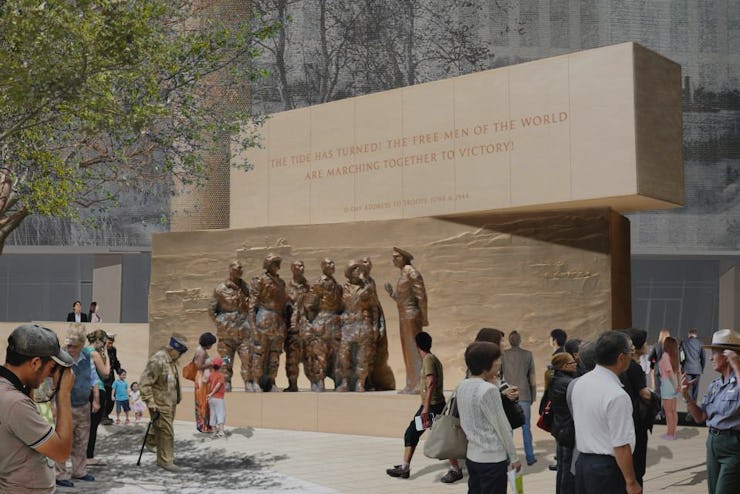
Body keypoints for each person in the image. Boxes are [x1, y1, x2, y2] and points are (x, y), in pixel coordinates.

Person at [0, 324, 74, 493]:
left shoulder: (7, 390)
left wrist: (29, 384)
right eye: (52, 368)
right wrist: (64, 393)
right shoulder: (15, 403)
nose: (50, 375)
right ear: (35, 362)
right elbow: (61, 452)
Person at [571, 330, 640, 494]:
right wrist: (631, 482)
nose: (632, 357)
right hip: (606, 470)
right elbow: (621, 445)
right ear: (621, 358)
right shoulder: (617, 395)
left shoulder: (580, 383)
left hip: (583, 464)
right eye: (630, 353)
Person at [456, 341, 521, 494]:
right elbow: (502, 426)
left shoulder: (462, 386)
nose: (499, 363)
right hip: (492, 459)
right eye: (497, 360)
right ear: (486, 364)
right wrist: (514, 457)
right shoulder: (488, 390)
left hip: (473, 456)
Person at [681, 329, 740, 494]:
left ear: (728, 356)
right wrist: (687, 396)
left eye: (714, 353)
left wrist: (737, 366)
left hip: (734, 446)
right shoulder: (715, 385)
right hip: (713, 443)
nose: (710, 358)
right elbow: (700, 417)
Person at [386, 332, 446, 479]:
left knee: (414, 433)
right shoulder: (433, 358)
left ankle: (405, 468)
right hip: (434, 405)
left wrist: (425, 408)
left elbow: (431, 382)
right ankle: (405, 467)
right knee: (436, 436)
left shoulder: (428, 360)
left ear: (417, 346)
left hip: (431, 406)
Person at [56, 327, 100, 487]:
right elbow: (51, 382)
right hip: (64, 406)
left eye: (74, 346)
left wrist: (96, 399)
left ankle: (79, 471)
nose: (71, 349)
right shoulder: (59, 358)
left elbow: (93, 378)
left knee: (81, 441)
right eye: (69, 345)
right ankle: (60, 474)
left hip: (83, 405)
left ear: (82, 345)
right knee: (63, 441)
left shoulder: (87, 357)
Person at [139, 336, 188, 472]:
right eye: (179, 353)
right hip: (160, 404)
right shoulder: (158, 360)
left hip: (170, 403)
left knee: (161, 429)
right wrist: (150, 401)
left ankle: (150, 440)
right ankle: (166, 461)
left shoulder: (171, 360)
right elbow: (145, 382)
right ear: (172, 349)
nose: (180, 356)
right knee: (167, 432)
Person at [384, 247, 429, 394]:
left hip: (411, 316)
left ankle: (419, 384)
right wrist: (392, 294)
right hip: (403, 315)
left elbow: (421, 296)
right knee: (407, 351)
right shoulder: (403, 273)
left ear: (403, 258)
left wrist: (424, 317)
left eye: (396, 257)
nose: (393, 260)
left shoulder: (412, 273)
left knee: (414, 350)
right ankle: (411, 383)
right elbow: (402, 299)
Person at [336, 260, 379, 392]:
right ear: (349, 272)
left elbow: (374, 308)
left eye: (359, 269)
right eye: (354, 269)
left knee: (363, 356)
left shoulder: (367, 288)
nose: (357, 271)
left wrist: (375, 326)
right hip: (347, 325)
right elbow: (337, 308)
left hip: (363, 324)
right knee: (344, 355)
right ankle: (345, 381)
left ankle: (360, 382)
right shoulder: (342, 289)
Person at [248, 254, 290, 392]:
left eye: (278, 263)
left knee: (275, 355)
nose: (278, 266)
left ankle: (272, 381)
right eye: (275, 263)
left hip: (278, 322)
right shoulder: (259, 280)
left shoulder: (281, 282)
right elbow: (252, 305)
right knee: (259, 353)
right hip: (263, 319)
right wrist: (253, 327)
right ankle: (256, 381)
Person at [209, 260, 250, 392]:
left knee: (247, 359)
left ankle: (248, 382)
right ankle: (225, 382)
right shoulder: (220, 289)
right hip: (226, 333)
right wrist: (220, 322)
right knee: (226, 360)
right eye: (237, 268)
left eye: (241, 268)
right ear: (230, 270)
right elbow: (211, 310)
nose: (240, 270)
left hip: (244, 331)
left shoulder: (246, 288)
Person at [618, 328, 652, 486]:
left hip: (627, 418)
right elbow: (644, 394)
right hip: (636, 421)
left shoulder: (623, 365)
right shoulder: (634, 367)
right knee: (637, 467)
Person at [305, 258, 343, 391]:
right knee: (319, 355)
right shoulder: (318, 284)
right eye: (328, 264)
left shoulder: (337, 285)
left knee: (337, 355)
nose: (332, 265)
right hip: (321, 322)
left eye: (333, 263)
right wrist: (313, 323)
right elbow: (309, 305)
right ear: (323, 267)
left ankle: (338, 381)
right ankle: (318, 381)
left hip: (335, 323)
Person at [501, 330, 537, 465]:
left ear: (509, 341)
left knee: (508, 428)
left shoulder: (503, 355)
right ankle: (530, 457)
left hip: (508, 395)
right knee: (526, 427)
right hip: (524, 394)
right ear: (520, 340)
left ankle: (508, 457)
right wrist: (533, 395)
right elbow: (532, 377)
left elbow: (499, 376)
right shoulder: (528, 354)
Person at [84, 329, 110, 466]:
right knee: (93, 426)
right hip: (97, 390)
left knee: (83, 425)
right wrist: (107, 356)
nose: (104, 346)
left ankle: (80, 454)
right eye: (104, 343)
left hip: (83, 391)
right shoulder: (94, 353)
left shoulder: (83, 351)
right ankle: (89, 456)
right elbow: (105, 374)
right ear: (99, 341)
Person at [285, 260, 310, 392]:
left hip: (307, 329)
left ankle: (316, 383)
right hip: (292, 329)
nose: (301, 268)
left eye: (302, 265)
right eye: (298, 266)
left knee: (310, 359)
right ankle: (292, 384)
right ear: (292, 269)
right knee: (292, 359)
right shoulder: (286, 288)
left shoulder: (309, 287)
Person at [193, 332, 217, 432]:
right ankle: (204, 426)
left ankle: (202, 425)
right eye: (211, 344)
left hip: (200, 378)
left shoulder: (199, 349)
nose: (211, 346)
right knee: (204, 402)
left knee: (201, 402)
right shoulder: (202, 352)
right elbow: (199, 366)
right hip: (202, 379)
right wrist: (212, 364)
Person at [659, 336, 680, 440]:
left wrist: (675, 385)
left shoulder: (665, 356)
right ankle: (672, 433)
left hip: (668, 384)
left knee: (668, 412)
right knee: (673, 411)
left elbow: (669, 371)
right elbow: (679, 372)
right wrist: (679, 385)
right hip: (674, 384)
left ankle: (670, 434)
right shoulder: (675, 356)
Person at [680, 329, 705, 403]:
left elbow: (680, 357)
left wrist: (682, 365)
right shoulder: (700, 343)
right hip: (697, 369)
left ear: (689, 334)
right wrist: (701, 368)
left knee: (688, 389)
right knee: (695, 391)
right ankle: (694, 407)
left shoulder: (683, 342)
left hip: (686, 369)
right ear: (696, 335)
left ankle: (689, 408)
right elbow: (703, 358)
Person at [102, 333, 121, 426]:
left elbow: (115, 361)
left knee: (111, 397)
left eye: (111, 343)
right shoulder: (100, 350)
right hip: (102, 377)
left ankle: (106, 415)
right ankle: (103, 417)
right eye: (109, 343)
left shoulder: (113, 350)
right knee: (103, 397)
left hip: (111, 377)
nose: (110, 345)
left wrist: (119, 370)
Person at [207, 358, 227, 438]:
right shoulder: (220, 375)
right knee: (221, 413)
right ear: (220, 366)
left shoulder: (211, 374)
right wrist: (212, 393)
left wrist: (209, 394)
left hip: (211, 399)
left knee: (213, 414)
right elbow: (218, 386)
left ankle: (214, 432)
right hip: (218, 398)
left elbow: (208, 384)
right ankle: (221, 431)